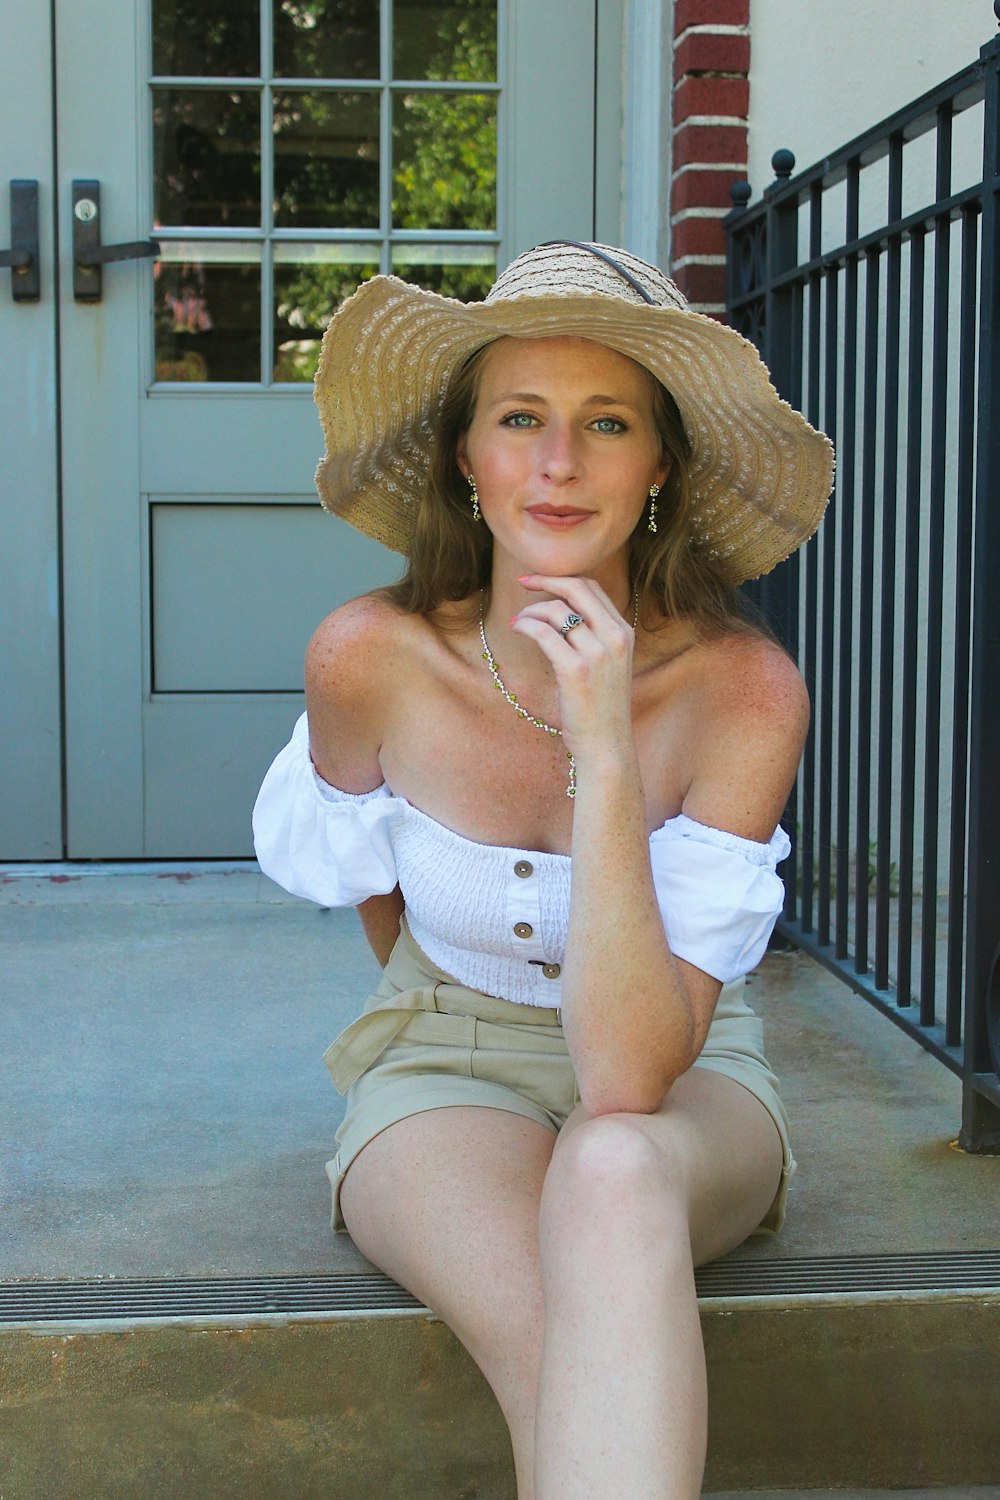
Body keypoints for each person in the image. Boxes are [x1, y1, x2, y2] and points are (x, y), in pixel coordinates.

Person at [253, 240, 834, 1500]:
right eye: (520, 418)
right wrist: (446, 1010)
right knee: (554, 1346)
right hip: (442, 1062)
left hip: (683, 1076)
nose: (558, 463)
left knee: (613, 1166)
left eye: (605, 422)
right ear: (467, 455)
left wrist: (605, 740)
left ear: (659, 463)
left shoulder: (744, 690)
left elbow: (629, 1074)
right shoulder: (368, 657)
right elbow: (379, 901)